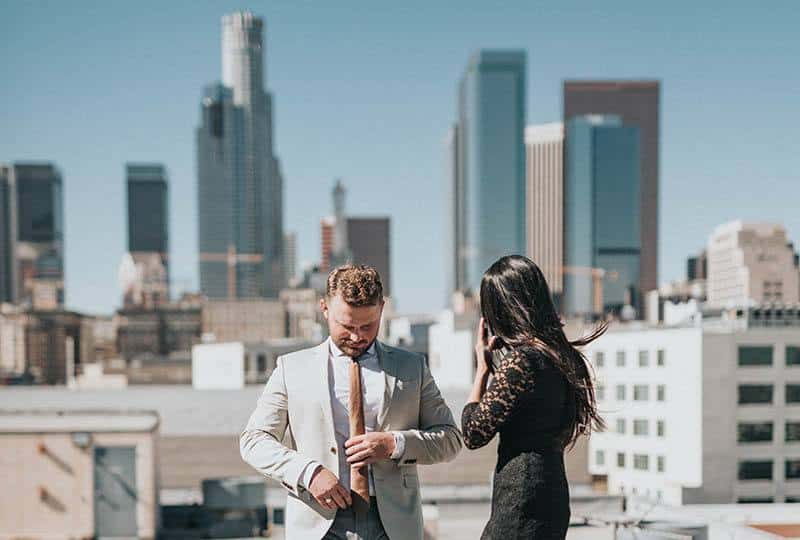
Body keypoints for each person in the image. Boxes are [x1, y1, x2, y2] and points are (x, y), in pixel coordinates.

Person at [241, 264, 462, 540]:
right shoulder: (291, 369)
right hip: (317, 522)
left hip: (392, 525)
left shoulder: (412, 368)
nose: (357, 336)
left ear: (381, 308)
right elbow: (253, 440)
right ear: (324, 309)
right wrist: (308, 473)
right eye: (346, 326)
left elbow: (450, 439)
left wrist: (395, 444)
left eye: (367, 326)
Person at [461, 255, 606, 540]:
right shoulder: (565, 357)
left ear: (501, 311)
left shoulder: (522, 362)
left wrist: (481, 371)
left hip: (520, 497)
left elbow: (473, 432)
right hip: (552, 494)